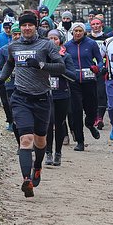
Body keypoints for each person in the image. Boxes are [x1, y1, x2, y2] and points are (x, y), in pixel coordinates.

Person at [0, 11, 66, 197]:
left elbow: (61, 67)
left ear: (36, 26)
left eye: (30, 25)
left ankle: (37, 167)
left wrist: (41, 65)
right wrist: (1, 79)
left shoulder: (46, 45)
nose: (27, 28)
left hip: (42, 97)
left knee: (40, 140)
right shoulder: (14, 46)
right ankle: (26, 180)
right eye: (24, 25)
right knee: (25, 139)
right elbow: (9, 64)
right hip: (21, 97)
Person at [64, 21, 103, 151]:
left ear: (84, 32)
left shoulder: (91, 44)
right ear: (72, 32)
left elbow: (100, 60)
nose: (78, 33)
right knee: (76, 111)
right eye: (76, 31)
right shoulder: (68, 46)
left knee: (91, 109)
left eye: (80, 31)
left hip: (89, 81)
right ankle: (80, 142)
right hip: (74, 82)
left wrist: (97, 67)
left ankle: (90, 124)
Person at [46, 29, 78, 167]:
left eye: (55, 38)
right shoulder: (43, 55)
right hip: (46, 94)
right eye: (50, 38)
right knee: (48, 123)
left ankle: (58, 153)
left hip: (62, 94)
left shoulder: (66, 57)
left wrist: (60, 69)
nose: (53, 41)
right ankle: (48, 152)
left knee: (59, 124)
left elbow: (73, 76)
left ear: (60, 41)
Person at [0, 23, 21, 132]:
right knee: (7, 103)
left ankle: (19, 123)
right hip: (7, 82)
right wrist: (2, 76)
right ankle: (10, 120)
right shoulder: (4, 50)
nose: (17, 36)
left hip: (23, 81)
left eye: (19, 34)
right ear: (11, 35)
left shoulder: (27, 48)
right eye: (15, 34)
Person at [88, 17, 111, 129]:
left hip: (102, 70)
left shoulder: (107, 39)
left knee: (102, 93)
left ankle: (100, 117)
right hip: (89, 69)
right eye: (93, 24)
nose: (96, 26)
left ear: (101, 25)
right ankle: (93, 116)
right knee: (91, 94)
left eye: (98, 24)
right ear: (90, 25)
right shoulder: (87, 39)